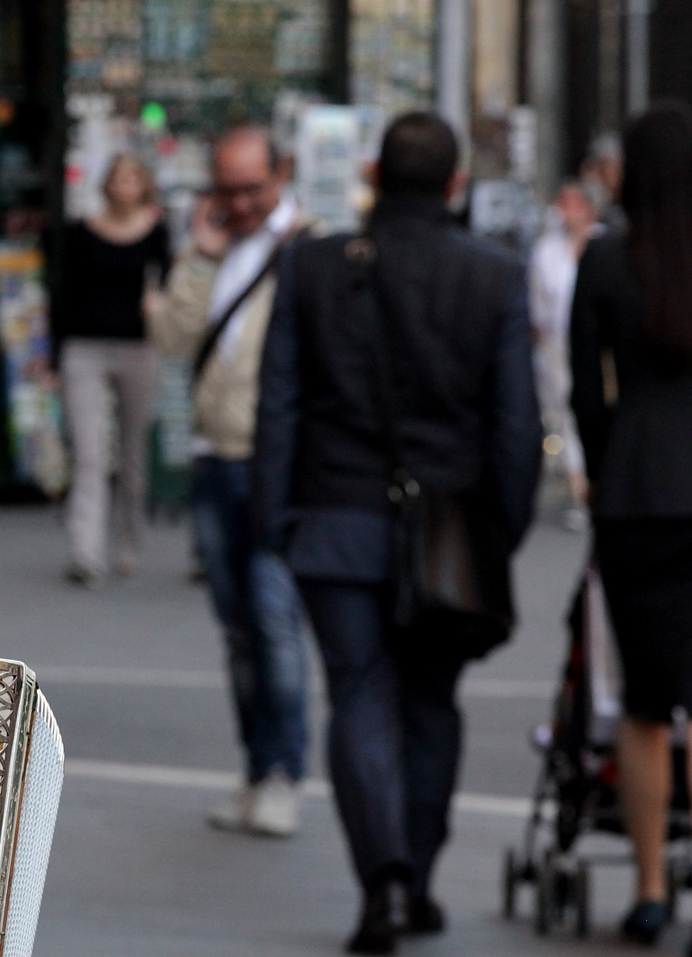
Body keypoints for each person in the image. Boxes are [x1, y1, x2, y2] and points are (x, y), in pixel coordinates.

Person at [254, 111, 541, 954]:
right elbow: (516, 425)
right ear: (455, 184)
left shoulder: (312, 265)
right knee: (431, 702)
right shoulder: (494, 276)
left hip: (335, 521)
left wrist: (276, 520)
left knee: (361, 695)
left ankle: (380, 878)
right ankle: (414, 874)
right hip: (452, 530)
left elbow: (282, 403)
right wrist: (503, 531)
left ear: (375, 174)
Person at [149, 125, 310, 837]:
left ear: (283, 174)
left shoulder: (313, 248)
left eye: (254, 188)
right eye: (228, 190)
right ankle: (255, 769)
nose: (241, 203)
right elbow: (173, 341)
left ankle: (284, 774)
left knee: (276, 622)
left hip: (281, 464)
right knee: (239, 632)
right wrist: (201, 258)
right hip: (214, 458)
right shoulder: (212, 251)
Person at [570, 100, 692, 951]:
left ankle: (651, 885)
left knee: (648, 706)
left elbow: (585, 390)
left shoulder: (609, 258)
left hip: (639, 493)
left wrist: (611, 464)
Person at [54, 154, 171, 585]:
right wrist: (54, 358)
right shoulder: (81, 233)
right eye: (118, 179)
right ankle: (85, 552)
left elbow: (173, 283)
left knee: (133, 451)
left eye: (132, 179)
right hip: (84, 347)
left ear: (143, 186)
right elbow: (62, 294)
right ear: (108, 185)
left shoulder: (157, 233)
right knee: (89, 455)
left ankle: (128, 542)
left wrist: (160, 303)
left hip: (138, 348)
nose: (124, 187)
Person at [529, 180, 601, 530]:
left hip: (597, 344)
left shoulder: (603, 245)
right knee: (566, 414)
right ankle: (580, 487)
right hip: (559, 344)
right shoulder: (546, 251)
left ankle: (599, 480)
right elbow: (539, 308)